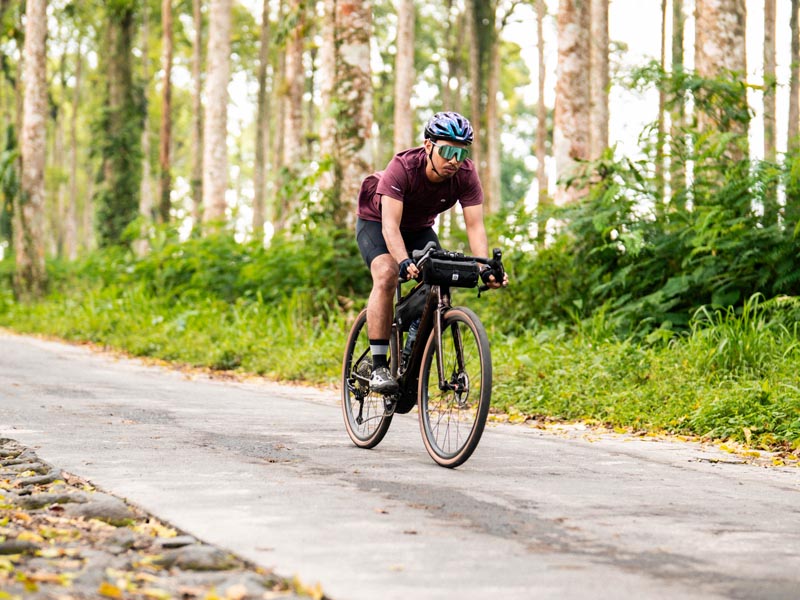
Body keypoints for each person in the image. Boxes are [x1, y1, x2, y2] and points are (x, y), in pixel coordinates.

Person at [355, 111, 508, 394]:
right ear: (428, 146)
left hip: (419, 228)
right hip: (377, 223)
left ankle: (413, 338)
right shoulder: (402, 168)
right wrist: (402, 261)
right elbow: (390, 227)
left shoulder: (465, 174)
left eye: (460, 153)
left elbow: (475, 226)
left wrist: (485, 267)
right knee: (387, 273)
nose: (454, 160)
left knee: (442, 273)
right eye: (447, 151)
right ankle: (377, 367)